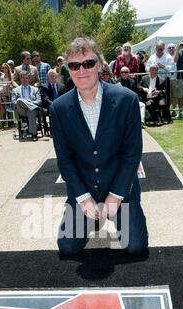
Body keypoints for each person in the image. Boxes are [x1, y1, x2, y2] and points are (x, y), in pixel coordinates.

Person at [50, 37, 148, 256]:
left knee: (135, 247)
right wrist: (83, 199)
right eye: (75, 65)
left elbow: (132, 155)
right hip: (84, 190)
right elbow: (65, 160)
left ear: (101, 65)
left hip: (121, 189)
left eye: (88, 63)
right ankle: (91, 220)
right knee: (67, 247)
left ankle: (120, 215)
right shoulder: (58, 108)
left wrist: (116, 196)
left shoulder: (127, 100)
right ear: (68, 70)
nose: (82, 70)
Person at [11, 70, 42, 141]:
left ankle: (34, 134)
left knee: (31, 111)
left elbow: (39, 101)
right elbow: (14, 102)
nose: (25, 80)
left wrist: (30, 102)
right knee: (19, 100)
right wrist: (24, 102)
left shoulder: (35, 89)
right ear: (21, 79)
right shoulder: (15, 90)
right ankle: (28, 104)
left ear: (29, 79)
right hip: (21, 110)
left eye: (27, 78)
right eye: (23, 78)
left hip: (31, 110)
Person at [146, 41, 175, 107]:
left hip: (165, 80)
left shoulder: (168, 57)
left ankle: (166, 111)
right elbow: (147, 68)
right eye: (158, 49)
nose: (159, 50)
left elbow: (172, 68)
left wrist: (163, 66)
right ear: (155, 48)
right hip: (154, 80)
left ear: (164, 48)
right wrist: (153, 68)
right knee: (154, 95)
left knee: (166, 96)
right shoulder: (152, 57)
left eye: (161, 49)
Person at [0, 63, 18, 128]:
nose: (4, 69)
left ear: (8, 68)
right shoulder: (2, 77)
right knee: (1, 107)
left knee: (10, 107)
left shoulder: (11, 76)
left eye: (6, 67)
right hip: (3, 94)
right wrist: (0, 92)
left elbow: (14, 85)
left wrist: (10, 86)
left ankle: (11, 122)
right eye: (3, 68)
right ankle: (3, 122)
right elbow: (0, 86)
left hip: (10, 93)